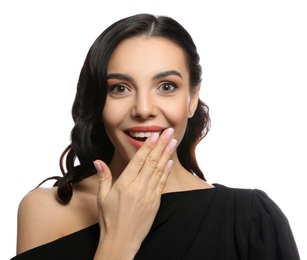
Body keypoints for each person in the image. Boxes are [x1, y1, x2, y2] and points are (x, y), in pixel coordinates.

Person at [11, 13, 300, 260]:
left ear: (191, 99)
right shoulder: (47, 209)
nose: (144, 110)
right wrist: (117, 243)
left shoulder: (251, 218)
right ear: (99, 101)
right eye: (120, 88)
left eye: (166, 86)